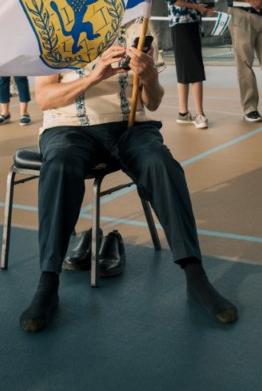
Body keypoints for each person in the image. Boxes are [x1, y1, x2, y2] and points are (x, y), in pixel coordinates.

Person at [19, 22, 237, 332]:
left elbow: (154, 101)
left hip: (129, 126)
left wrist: (147, 75)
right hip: (68, 129)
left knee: (161, 164)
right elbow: (45, 98)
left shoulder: (139, 25)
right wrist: (96, 76)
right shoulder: (54, 27)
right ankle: (48, 283)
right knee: (60, 165)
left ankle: (195, 277)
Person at [163, 0, 216, 129]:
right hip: (182, 22)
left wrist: (201, 7)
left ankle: (183, 112)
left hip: (191, 22)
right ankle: (200, 114)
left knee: (185, 69)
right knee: (194, 70)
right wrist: (196, 8)